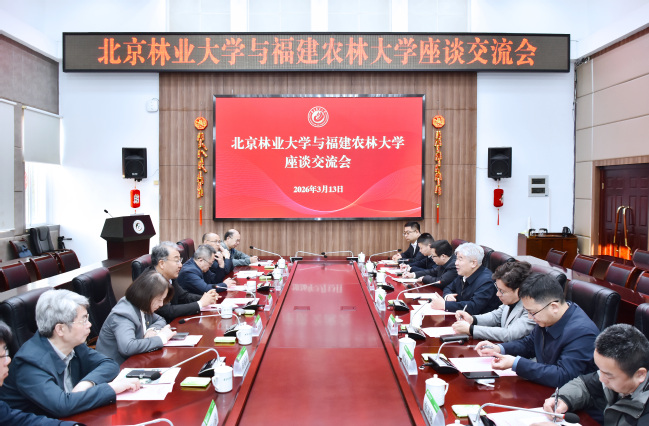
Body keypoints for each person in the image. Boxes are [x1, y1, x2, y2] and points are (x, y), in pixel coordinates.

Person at [0, 290, 140, 417]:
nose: (89, 324)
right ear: (60, 329)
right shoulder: (29, 363)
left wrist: (86, 383)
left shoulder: (74, 344)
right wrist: (110, 389)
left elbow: (109, 364)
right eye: (83, 320)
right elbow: (61, 406)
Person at [475, 273, 599, 388]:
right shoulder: (547, 317)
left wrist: (516, 363)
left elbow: (563, 376)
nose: (530, 317)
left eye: (532, 312)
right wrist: (499, 349)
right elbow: (530, 343)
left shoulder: (582, 333)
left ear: (554, 307)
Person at [538, 324, 649, 425]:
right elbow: (584, 385)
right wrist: (563, 399)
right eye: (600, 370)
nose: (601, 379)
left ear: (640, 374)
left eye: (608, 375)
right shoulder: (616, 373)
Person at [0, 320, 83, 425]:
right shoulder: (28, 361)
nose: (8, 360)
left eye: (6, 353)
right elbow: (61, 405)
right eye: (2, 356)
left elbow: (23, 421)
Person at [96, 271, 176, 365]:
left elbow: (160, 319)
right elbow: (127, 347)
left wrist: (152, 330)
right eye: (159, 300)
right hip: (115, 367)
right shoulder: (124, 314)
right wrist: (161, 338)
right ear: (147, 296)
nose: (161, 304)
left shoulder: (142, 306)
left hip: (136, 361)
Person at [452, 262, 535, 342]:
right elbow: (496, 316)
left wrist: (471, 329)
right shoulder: (510, 300)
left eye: (502, 291)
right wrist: (472, 319)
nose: (497, 294)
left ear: (519, 291)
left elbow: (509, 334)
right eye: (498, 289)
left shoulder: (531, 309)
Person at [151, 241, 219, 323]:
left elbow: (184, 296)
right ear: (162, 263)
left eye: (180, 260)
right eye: (176, 261)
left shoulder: (170, 276)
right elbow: (168, 311)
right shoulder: (152, 281)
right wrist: (200, 303)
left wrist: (206, 298)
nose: (180, 265)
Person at [430, 242, 500, 315]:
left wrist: (445, 305)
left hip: (475, 320)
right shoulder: (464, 273)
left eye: (460, 259)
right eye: (456, 259)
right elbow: (448, 287)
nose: (456, 263)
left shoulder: (487, 281)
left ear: (473, 263)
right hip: (460, 316)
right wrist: (447, 296)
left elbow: (473, 307)